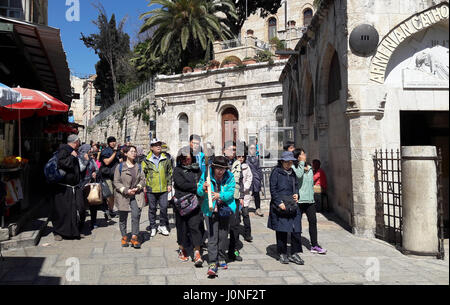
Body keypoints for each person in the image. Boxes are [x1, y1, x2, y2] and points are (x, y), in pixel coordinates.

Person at [197, 156, 236, 277]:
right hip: (210, 210)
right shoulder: (206, 174)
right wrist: (203, 188)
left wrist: (220, 195)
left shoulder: (230, 176)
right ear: (213, 167)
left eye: (223, 168)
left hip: (225, 209)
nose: (220, 171)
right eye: (218, 168)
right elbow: (199, 191)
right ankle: (212, 262)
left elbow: (231, 192)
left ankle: (221, 257)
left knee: (223, 235)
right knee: (212, 236)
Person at [267, 151, 304, 265]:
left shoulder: (292, 173)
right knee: (282, 230)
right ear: (282, 162)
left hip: (292, 205)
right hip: (280, 205)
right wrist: (279, 202)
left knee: (296, 229)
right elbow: (273, 189)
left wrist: (297, 194)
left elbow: (296, 186)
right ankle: (282, 253)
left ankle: (294, 253)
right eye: (287, 162)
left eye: (291, 162)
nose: (289, 164)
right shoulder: (276, 173)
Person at [173, 146, 204, 267]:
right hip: (181, 204)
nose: (187, 161)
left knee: (195, 227)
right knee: (182, 228)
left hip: (195, 203)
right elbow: (181, 184)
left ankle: (197, 252)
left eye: (189, 159)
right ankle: (182, 248)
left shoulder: (197, 170)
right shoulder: (177, 170)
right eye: (184, 159)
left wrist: (197, 186)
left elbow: (201, 183)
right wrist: (195, 185)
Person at [292, 149, 327, 255]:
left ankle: (315, 245)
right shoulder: (294, 167)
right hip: (299, 201)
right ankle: (296, 246)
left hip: (310, 200)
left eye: (304, 153)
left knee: (313, 222)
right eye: (302, 154)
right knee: (296, 224)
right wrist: (301, 163)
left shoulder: (310, 167)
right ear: (297, 157)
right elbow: (298, 175)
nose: (304, 155)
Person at [51, 134, 84, 241]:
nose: (79, 143)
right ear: (76, 142)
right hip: (63, 188)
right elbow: (62, 163)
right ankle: (59, 232)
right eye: (79, 141)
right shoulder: (64, 150)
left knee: (74, 210)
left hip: (73, 187)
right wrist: (72, 157)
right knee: (62, 211)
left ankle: (73, 232)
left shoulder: (70, 150)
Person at [113, 145, 146, 249]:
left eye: (135, 151)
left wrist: (138, 187)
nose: (134, 153)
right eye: (131, 151)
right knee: (123, 217)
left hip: (136, 195)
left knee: (136, 215)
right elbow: (116, 181)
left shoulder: (139, 166)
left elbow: (142, 179)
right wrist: (126, 190)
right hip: (123, 195)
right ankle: (124, 236)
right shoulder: (120, 167)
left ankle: (134, 237)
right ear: (126, 153)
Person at [142, 138, 173, 237]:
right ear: (151, 147)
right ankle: (153, 226)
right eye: (156, 145)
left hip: (163, 188)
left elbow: (169, 172)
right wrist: (144, 185)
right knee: (152, 208)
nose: (159, 146)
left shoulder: (166, 159)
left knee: (164, 207)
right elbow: (143, 174)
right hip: (151, 188)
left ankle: (163, 225)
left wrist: (169, 184)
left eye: (159, 144)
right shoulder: (146, 160)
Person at [77, 144, 106, 232]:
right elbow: (80, 169)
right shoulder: (78, 159)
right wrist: (85, 161)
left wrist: (95, 173)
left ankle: (93, 222)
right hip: (81, 185)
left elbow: (97, 168)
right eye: (89, 149)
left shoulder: (91, 159)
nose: (91, 151)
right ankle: (81, 223)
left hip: (91, 184)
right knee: (81, 206)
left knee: (93, 203)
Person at [99, 136, 120, 218]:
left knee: (115, 194)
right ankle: (110, 210)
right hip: (107, 175)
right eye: (111, 141)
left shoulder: (116, 151)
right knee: (109, 194)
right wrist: (114, 153)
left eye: (114, 141)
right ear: (108, 143)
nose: (113, 143)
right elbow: (107, 162)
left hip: (115, 175)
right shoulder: (105, 151)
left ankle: (111, 209)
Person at [247, 143, 264, 217]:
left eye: (254, 148)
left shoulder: (258, 158)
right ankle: (244, 209)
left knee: (257, 194)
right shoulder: (246, 158)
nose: (253, 150)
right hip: (248, 178)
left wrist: (260, 178)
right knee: (246, 194)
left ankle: (258, 209)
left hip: (256, 179)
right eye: (251, 148)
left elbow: (259, 169)